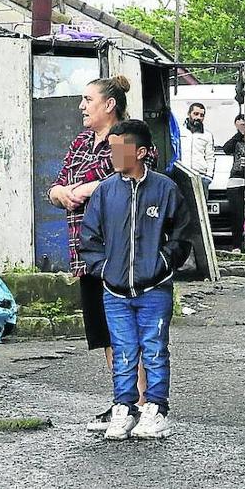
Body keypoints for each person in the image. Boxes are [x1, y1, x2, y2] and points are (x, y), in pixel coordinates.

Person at [48, 75, 155, 434]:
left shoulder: (125, 139)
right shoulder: (81, 142)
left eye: (88, 99)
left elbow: (130, 177)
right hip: (85, 252)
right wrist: (61, 193)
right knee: (104, 332)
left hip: (119, 252)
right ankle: (123, 402)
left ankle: (140, 403)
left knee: (125, 327)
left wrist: (88, 188)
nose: (82, 106)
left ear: (109, 104)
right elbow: (57, 184)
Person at [80, 119, 194, 441]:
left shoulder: (165, 189)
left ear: (140, 152)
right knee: (123, 350)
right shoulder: (105, 192)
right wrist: (105, 270)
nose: (113, 155)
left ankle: (156, 409)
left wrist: (160, 265)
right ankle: (124, 408)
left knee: (155, 348)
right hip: (114, 293)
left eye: (119, 149)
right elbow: (90, 238)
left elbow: (182, 237)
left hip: (154, 290)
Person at [222, 114, 245, 250]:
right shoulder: (236, 141)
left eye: (243, 124)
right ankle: (237, 245)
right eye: (238, 125)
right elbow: (226, 149)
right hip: (236, 182)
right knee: (237, 216)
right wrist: (239, 134)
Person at [179, 102, 216, 192]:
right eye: (196, 114)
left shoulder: (207, 135)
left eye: (201, 115)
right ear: (189, 114)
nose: (198, 117)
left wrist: (209, 176)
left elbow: (210, 157)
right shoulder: (179, 132)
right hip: (183, 176)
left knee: (201, 206)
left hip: (201, 177)